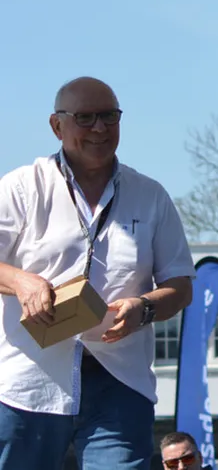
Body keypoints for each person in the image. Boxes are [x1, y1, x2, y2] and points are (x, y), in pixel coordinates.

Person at [0, 77, 195, 470]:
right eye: (85, 118)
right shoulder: (23, 187)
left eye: (109, 116)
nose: (100, 129)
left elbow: (180, 286)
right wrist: (22, 281)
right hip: (28, 382)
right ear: (57, 126)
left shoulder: (151, 195)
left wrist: (144, 308)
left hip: (119, 382)